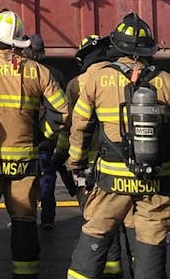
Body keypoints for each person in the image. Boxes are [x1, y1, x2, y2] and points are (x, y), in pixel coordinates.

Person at [63, 13, 170, 279]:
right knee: (151, 241)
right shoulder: (168, 82)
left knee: (96, 233)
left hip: (111, 180)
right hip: (157, 181)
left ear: (116, 45)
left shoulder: (96, 79)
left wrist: (76, 164)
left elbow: (79, 126)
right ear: (149, 49)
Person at [0, 9, 71, 279]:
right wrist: (40, 135)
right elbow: (62, 113)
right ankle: (25, 274)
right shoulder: (38, 72)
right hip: (24, 163)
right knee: (24, 222)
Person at [55, 33, 124, 277]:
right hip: (125, 165)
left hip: (90, 169)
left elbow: (72, 127)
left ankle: (105, 269)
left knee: (98, 222)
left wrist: (66, 159)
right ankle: (120, 269)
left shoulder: (77, 84)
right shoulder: (123, 76)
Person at [24, 34, 70, 231]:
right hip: (47, 139)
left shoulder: (23, 73)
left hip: (27, 138)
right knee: (47, 179)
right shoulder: (56, 75)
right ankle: (48, 218)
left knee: (25, 180)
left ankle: (25, 216)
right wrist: (47, 133)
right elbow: (61, 110)